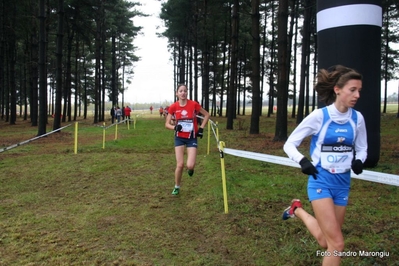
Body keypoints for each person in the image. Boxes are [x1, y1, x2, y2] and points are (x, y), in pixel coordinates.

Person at [282, 65, 368, 266]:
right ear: (338, 90)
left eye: (359, 91)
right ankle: (298, 209)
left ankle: (297, 210)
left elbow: (363, 148)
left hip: (343, 183)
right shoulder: (320, 116)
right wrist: (303, 161)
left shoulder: (357, 118)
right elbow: (290, 144)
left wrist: (358, 160)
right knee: (337, 244)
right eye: (352, 90)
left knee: (325, 240)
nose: (357, 95)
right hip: (321, 181)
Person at [165, 84, 210, 195]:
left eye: (185, 91)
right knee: (180, 164)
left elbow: (207, 115)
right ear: (177, 93)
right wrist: (175, 127)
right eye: (180, 91)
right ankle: (177, 186)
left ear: (187, 93)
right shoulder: (173, 107)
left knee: (189, 165)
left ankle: (191, 169)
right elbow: (167, 124)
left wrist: (201, 128)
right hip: (179, 138)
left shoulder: (193, 104)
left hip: (191, 138)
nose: (183, 93)